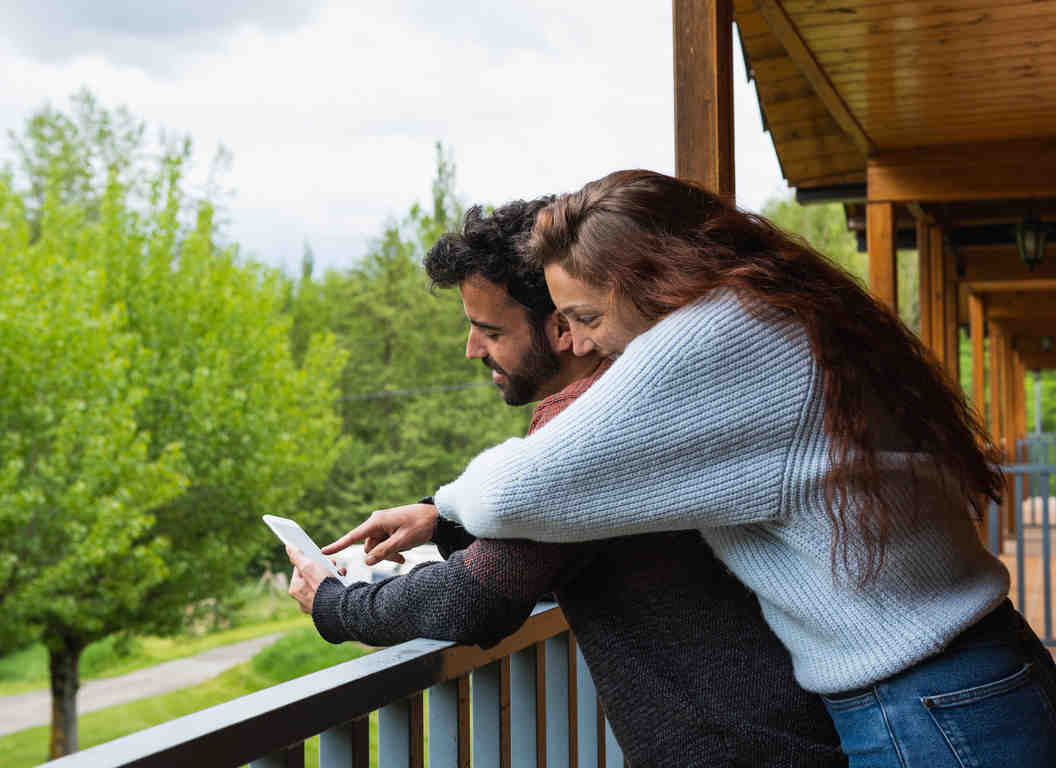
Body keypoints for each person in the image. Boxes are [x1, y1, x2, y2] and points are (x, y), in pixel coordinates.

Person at [412, 170, 1056, 767]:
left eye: (586, 318)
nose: (578, 342)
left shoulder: (714, 336)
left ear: (649, 279)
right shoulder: (771, 305)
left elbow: (514, 494)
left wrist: (442, 504)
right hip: (962, 679)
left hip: (925, 704)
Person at [284, 199, 846, 767]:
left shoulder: (587, 419)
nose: (472, 349)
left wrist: (338, 602)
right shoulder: (639, 393)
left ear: (560, 327)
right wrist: (441, 519)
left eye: (488, 330)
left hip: (742, 750)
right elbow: (560, 543)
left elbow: (475, 598)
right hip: (782, 733)